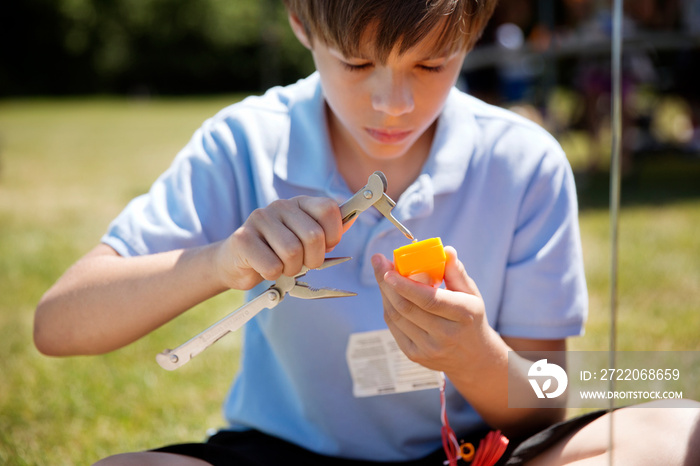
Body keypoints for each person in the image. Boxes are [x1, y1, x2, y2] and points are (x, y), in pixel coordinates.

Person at [33, 1, 700, 465]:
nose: (393, 104)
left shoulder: (523, 161)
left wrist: (475, 356)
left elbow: (546, 398)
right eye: (356, 64)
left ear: (473, 30)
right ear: (300, 19)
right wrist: (221, 261)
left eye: (431, 64)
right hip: (285, 457)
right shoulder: (245, 143)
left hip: (474, 455)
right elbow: (59, 325)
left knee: (678, 434)